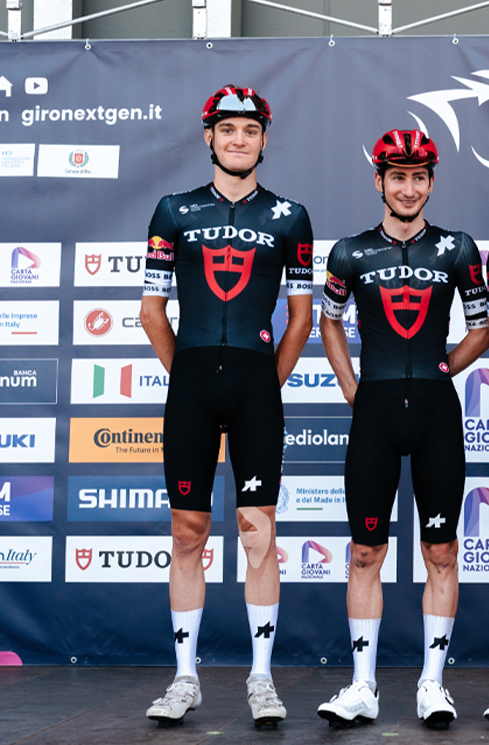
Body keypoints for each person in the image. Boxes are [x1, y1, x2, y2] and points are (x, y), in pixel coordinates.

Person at [140, 86, 313, 727]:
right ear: (208, 137)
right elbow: (151, 311)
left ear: (264, 140)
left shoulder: (291, 216)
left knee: (258, 531)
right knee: (187, 531)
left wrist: (264, 382)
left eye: (250, 130)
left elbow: (301, 317)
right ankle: (185, 679)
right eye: (228, 129)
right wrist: (187, 374)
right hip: (192, 382)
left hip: (254, 385)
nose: (239, 139)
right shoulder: (173, 210)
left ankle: (261, 679)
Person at [317, 129, 489, 730]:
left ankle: (432, 686)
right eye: (398, 177)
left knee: (441, 551)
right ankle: (362, 687)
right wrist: (351, 386)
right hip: (376, 412)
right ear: (379, 181)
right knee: (366, 551)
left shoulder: (458, 248)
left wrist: (443, 369)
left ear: (432, 183)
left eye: (419, 177)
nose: (408, 188)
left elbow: (482, 326)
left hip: (437, 412)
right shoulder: (349, 252)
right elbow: (329, 321)